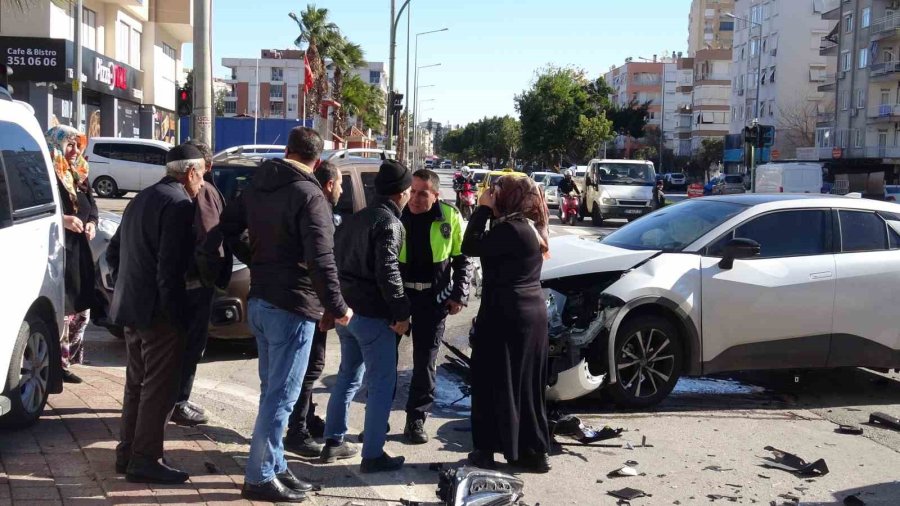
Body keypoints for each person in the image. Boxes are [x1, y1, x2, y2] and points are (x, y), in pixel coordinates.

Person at [221, 127, 352, 503]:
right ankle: (260, 476)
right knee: (280, 398)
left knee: (273, 393)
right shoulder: (310, 194)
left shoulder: (259, 184)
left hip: (262, 300)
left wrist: (258, 259)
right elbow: (322, 259)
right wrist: (337, 306)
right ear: (318, 160)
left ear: (287, 151)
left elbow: (228, 227)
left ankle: (275, 466)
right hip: (291, 306)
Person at [106, 143, 206, 484]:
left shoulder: (141, 198)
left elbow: (114, 253)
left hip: (131, 306)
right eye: (201, 176)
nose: (202, 184)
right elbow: (169, 270)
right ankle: (145, 458)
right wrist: (178, 317)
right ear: (190, 173)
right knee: (159, 389)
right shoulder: (179, 204)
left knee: (136, 385)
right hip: (157, 313)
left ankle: (128, 452)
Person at [325, 160, 412, 474]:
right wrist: (402, 312)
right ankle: (373, 454)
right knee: (381, 384)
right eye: (408, 191)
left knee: (348, 375)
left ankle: (333, 440)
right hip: (373, 315)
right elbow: (388, 271)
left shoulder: (356, 219)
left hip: (348, 311)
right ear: (401, 193)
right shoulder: (389, 223)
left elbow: (335, 262)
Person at [461, 175, 552, 473]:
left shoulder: (511, 230)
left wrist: (482, 209)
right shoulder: (528, 227)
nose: (492, 195)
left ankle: (486, 450)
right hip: (529, 313)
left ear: (510, 198)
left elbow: (469, 245)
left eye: (497, 192)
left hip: (505, 313)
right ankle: (530, 451)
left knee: (490, 380)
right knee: (525, 384)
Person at [398, 169, 471, 444]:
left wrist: (459, 294)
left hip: (433, 300)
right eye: (412, 192)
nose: (415, 198)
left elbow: (463, 260)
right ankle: (377, 418)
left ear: (436, 195)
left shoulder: (449, 216)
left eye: (422, 193)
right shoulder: (397, 214)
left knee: (425, 362)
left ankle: (416, 419)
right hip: (399, 298)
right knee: (384, 361)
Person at [284, 160, 344, 458]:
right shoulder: (318, 209)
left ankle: (305, 418)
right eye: (341, 184)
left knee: (301, 367)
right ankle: (297, 431)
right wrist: (334, 306)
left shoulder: (297, 201)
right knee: (309, 368)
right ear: (330, 184)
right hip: (309, 301)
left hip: (293, 296)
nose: (342, 191)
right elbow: (322, 264)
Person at [171, 140, 231, 426]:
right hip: (194, 284)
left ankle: (175, 399)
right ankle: (178, 401)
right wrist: (211, 278)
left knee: (181, 345)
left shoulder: (183, 190)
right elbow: (209, 241)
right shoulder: (203, 191)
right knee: (190, 345)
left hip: (183, 282)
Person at [47, 125, 97, 384]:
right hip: (58, 250)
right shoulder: (48, 174)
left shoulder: (78, 173)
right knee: (65, 310)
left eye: (78, 144)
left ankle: (69, 359)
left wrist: (92, 223)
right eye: (69, 144)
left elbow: (92, 206)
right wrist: (63, 220)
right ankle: (59, 366)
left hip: (80, 250)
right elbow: (41, 210)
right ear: (56, 145)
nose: (75, 150)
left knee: (82, 310)